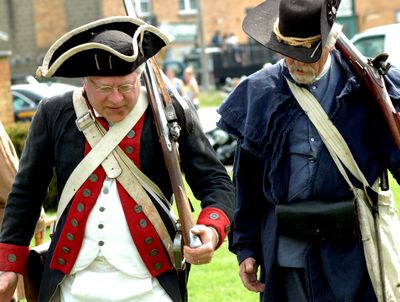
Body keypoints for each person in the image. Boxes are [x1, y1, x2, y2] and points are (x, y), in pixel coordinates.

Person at [0, 16, 234, 302]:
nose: (116, 99)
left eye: (126, 87)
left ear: (140, 77)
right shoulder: (54, 113)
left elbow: (216, 182)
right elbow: (26, 191)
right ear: (85, 82)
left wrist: (210, 228)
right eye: (104, 89)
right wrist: (8, 266)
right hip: (73, 283)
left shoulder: (171, 112)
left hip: (151, 284)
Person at [217, 0, 400, 301]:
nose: (294, 62)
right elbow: (247, 182)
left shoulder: (371, 87)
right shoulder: (259, 92)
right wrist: (246, 247)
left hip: (357, 251)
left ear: (329, 44)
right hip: (288, 254)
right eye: (287, 53)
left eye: (304, 54)